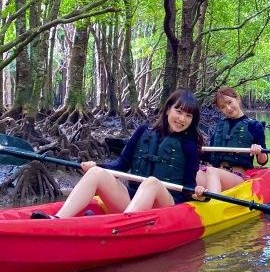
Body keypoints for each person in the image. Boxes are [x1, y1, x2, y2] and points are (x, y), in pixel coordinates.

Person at [32, 89, 206, 219]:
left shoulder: (190, 145)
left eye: (188, 116)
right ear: (168, 110)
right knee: (96, 173)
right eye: (179, 111)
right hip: (133, 202)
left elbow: (188, 186)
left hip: (167, 207)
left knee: (152, 183)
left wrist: (197, 193)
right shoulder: (143, 132)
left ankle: (120, 228)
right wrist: (98, 166)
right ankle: (59, 219)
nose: (182, 119)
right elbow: (121, 164)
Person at [196, 86, 268, 193]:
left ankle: (214, 203)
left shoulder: (255, 126)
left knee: (212, 171)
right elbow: (209, 155)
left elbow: (263, 161)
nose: (228, 108)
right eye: (223, 107)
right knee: (192, 172)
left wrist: (259, 150)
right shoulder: (220, 125)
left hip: (237, 177)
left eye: (229, 102)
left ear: (237, 99)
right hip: (215, 173)